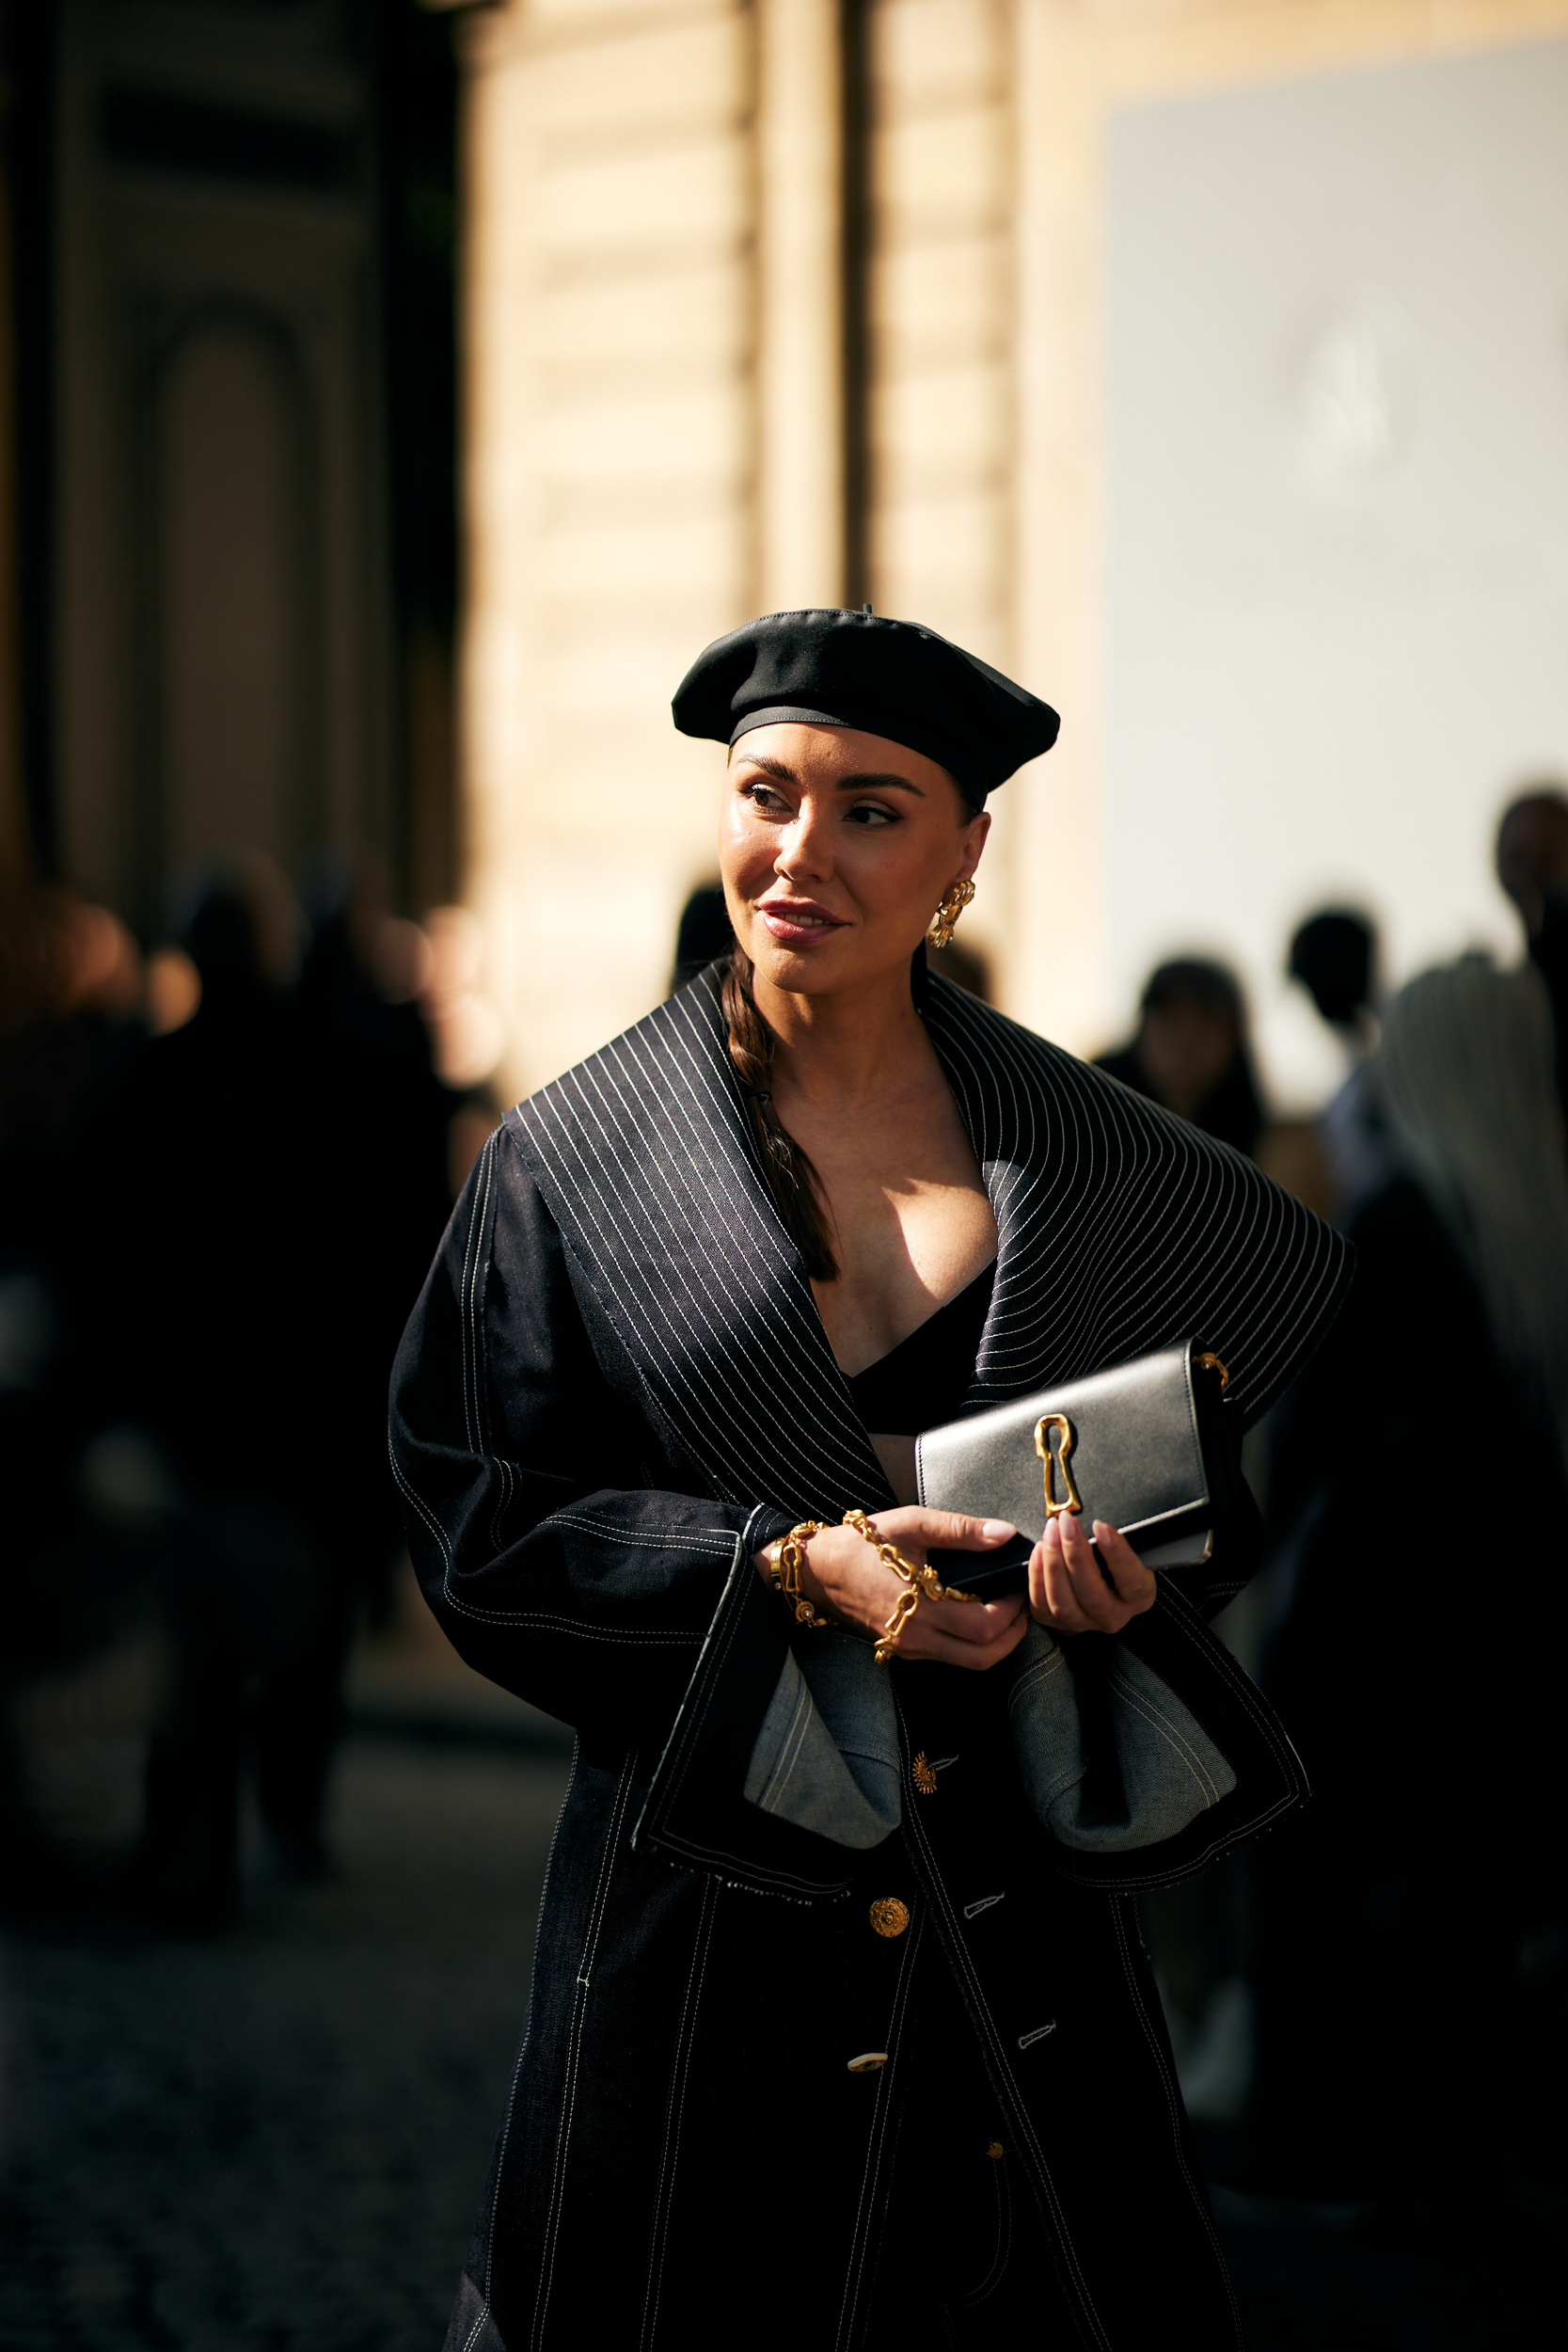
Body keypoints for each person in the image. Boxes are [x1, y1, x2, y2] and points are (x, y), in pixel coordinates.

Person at [391, 608, 1351, 2348]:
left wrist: (1123, 1601)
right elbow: (474, 1522)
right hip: (697, 1944)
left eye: (872, 809)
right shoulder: (577, 1163)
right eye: (767, 795)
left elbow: (1195, 1492)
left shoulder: (1088, 1160)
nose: (801, 852)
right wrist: (779, 1567)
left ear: (963, 852)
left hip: (1021, 1953)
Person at [1248, 954, 1568, 2217]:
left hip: (1371, 1638)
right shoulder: (1529, 1224)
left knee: (1332, 1904)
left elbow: (1308, 1439)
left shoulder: (1395, 1229)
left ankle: (1328, 2161)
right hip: (1498, 1645)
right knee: (1457, 1927)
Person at [1096, 958, 1265, 1159]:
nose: (1186, 1042)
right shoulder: (1092, 1107)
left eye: (1204, 1024)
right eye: (1169, 1020)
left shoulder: (1266, 1143)